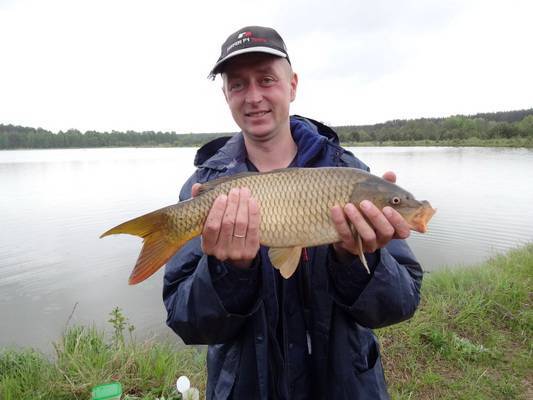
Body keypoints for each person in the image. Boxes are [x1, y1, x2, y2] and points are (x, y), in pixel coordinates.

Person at [163, 26, 423, 400]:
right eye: (238, 84)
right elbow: (187, 322)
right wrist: (228, 273)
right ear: (226, 95)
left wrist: (356, 259)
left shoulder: (349, 172)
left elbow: (400, 303)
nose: (253, 96)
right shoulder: (204, 187)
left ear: (292, 85)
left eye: (266, 80)